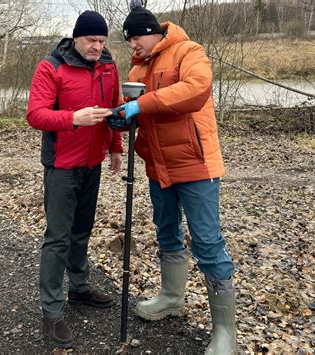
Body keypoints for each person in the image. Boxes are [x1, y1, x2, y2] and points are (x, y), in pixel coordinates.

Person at [113, 3, 236, 354]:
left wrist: (143, 104)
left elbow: (196, 91)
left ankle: (226, 334)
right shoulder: (138, 66)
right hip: (158, 164)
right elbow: (137, 106)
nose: (132, 46)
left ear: (152, 32)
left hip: (195, 163)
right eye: (128, 41)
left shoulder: (189, 51)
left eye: (135, 38)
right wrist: (124, 116)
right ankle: (171, 297)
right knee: (165, 230)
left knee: (208, 243)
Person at [26, 10, 123, 348]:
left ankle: (79, 288)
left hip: (92, 162)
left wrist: (115, 147)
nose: (97, 46)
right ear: (76, 37)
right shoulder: (51, 66)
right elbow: (35, 115)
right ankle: (51, 310)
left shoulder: (109, 66)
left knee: (82, 230)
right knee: (58, 237)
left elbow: (114, 108)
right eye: (91, 40)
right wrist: (73, 118)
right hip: (62, 166)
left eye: (101, 40)